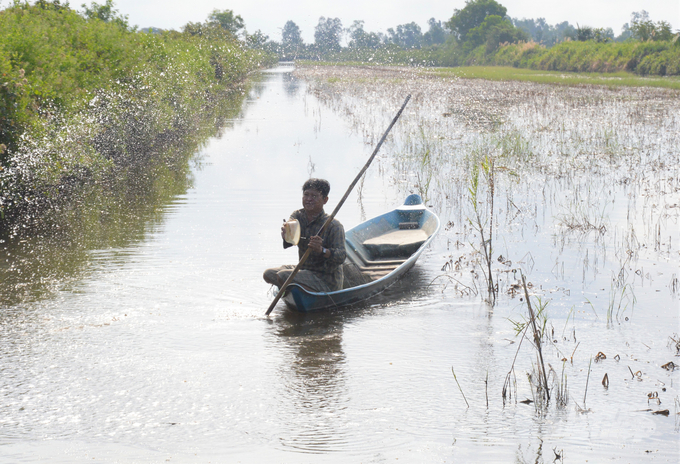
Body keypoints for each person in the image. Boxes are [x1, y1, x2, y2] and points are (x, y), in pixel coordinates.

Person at [263, 178, 346, 293]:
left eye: (314, 196)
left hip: (325, 278)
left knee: (283, 276)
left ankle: (303, 292)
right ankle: (295, 290)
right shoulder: (298, 216)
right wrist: (286, 235)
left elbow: (341, 256)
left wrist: (321, 250)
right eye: (306, 195)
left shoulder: (334, 225)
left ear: (325, 200)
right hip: (304, 270)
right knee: (268, 274)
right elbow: (290, 241)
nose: (308, 199)